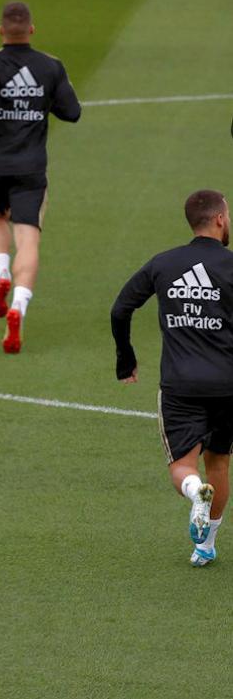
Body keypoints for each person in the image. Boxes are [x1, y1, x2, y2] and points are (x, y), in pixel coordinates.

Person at [111, 190, 233, 567]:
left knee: (183, 466)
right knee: (220, 464)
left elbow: (121, 308)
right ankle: (205, 545)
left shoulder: (164, 264)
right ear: (219, 219)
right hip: (227, 385)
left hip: (181, 386)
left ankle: (194, 492)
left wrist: (125, 358)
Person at [0, 0, 80, 353]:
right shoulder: (50, 66)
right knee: (28, 236)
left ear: (1, 30)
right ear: (32, 29)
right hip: (30, 165)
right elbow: (72, 112)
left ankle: (1, 274)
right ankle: (17, 307)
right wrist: (40, 100)